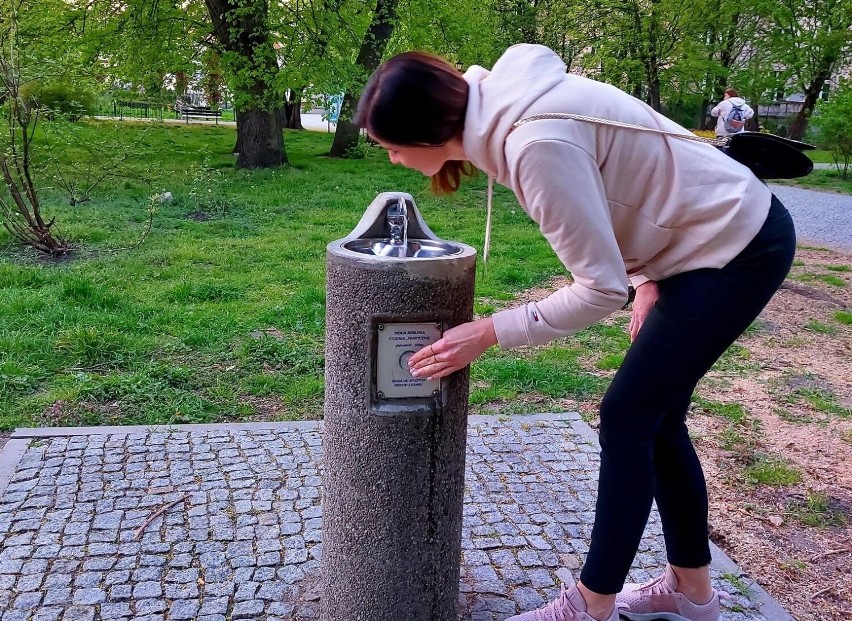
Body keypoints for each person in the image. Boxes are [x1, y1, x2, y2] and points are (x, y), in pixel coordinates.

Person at [355, 44, 795, 621]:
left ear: (431, 135)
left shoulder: (535, 145)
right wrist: (647, 277)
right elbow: (627, 180)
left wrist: (489, 332)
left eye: (391, 147)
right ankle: (692, 594)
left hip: (735, 247)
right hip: (698, 243)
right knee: (657, 419)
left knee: (628, 417)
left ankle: (590, 605)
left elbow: (597, 291)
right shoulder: (515, 107)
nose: (392, 161)